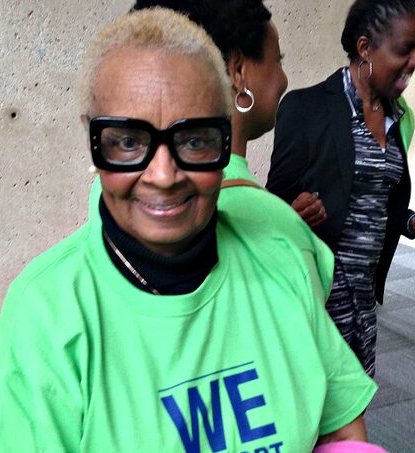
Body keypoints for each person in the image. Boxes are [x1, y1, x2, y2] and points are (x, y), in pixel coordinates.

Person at [0, 8, 378, 453]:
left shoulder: (277, 261)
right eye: (127, 141)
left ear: (225, 138)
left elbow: (342, 433)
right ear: (93, 142)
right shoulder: (49, 310)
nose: (163, 174)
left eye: (195, 139)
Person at [267, 0, 415, 376]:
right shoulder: (306, 108)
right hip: (318, 296)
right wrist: (292, 214)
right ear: (365, 48)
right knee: (314, 412)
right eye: (404, 49)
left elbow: (374, 197)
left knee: (354, 402)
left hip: (364, 298)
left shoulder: (398, 117)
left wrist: (414, 224)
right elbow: (273, 207)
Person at [88, 0, 334, 301]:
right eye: (278, 59)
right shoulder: (285, 235)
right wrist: (284, 229)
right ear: (238, 70)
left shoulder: (107, 192)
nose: (163, 177)